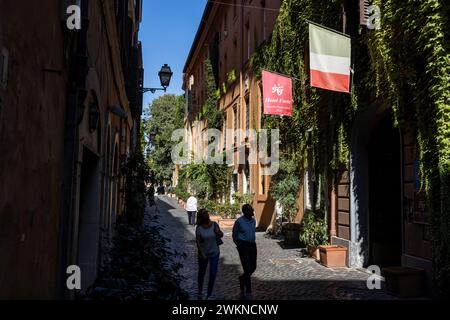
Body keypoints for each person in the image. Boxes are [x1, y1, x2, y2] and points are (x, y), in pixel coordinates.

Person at [196, 209, 223, 300]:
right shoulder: (199, 228)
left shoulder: (214, 224)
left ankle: (209, 294)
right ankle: (200, 291)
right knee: (202, 273)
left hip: (215, 252)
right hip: (204, 254)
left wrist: (217, 232)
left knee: (213, 272)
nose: (207, 216)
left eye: (207, 214)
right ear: (201, 217)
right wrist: (202, 253)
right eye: (205, 215)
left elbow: (221, 234)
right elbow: (198, 242)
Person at [232, 204, 257, 300]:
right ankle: (248, 290)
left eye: (252, 209)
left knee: (253, 266)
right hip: (243, 245)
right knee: (246, 267)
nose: (252, 211)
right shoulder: (239, 222)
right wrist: (239, 245)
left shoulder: (253, 221)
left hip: (252, 245)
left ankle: (242, 278)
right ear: (245, 212)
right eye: (250, 210)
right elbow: (234, 235)